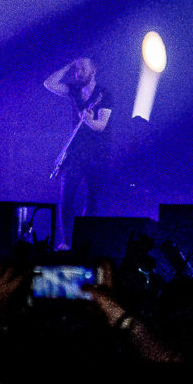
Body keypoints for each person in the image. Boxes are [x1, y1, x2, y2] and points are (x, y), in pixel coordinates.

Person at [44, 57, 111, 249]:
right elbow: (49, 84)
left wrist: (88, 120)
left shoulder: (104, 94)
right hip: (75, 152)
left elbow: (101, 126)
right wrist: (68, 65)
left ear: (93, 71)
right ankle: (67, 241)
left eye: (83, 69)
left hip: (97, 154)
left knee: (92, 199)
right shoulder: (73, 90)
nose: (78, 73)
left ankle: (85, 242)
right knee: (66, 197)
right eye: (77, 70)